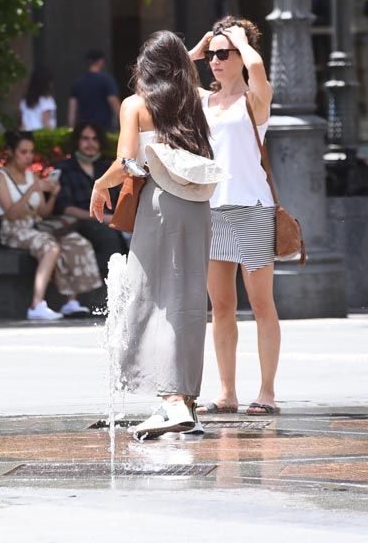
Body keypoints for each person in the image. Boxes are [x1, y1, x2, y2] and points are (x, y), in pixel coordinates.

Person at [90, 30, 225, 440]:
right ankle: (184, 404)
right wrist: (192, 56)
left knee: (152, 299)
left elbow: (127, 163)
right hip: (197, 207)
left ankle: (169, 403)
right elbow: (183, 74)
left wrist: (100, 184)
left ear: (143, 69)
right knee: (186, 301)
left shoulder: (136, 105)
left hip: (159, 206)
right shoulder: (193, 103)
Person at [186, 16, 281, 417]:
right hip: (212, 209)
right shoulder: (202, 101)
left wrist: (241, 41)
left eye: (225, 54)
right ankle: (226, 392)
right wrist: (194, 51)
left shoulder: (254, 99)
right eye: (213, 55)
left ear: (241, 54)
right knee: (221, 306)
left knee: (261, 304)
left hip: (252, 208)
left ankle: (267, 392)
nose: (216, 61)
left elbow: (258, 70)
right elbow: (152, 86)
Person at [0, 130, 103, 321]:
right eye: (23, 152)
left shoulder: (30, 176)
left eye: (31, 152)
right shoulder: (0, 177)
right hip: (13, 230)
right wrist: (32, 189)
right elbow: (11, 213)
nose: (28, 157)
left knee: (77, 242)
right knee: (50, 247)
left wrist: (53, 194)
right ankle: (36, 305)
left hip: (36, 226)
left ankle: (71, 302)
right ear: (11, 152)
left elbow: (43, 212)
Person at [54, 121, 127, 277]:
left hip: (112, 220)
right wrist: (103, 218)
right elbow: (66, 208)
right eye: (85, 139)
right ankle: (109, 294)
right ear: (77, 141)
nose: (90, 143)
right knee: (108, 236)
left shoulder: (106, 168)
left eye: (95, 139)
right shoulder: (64, 168)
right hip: (81, 222)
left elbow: (119, 199)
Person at [67, 50, 120, 130]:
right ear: (100, 61)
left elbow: (72, 110)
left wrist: (71, 128)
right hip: (103, 129)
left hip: (83, 129)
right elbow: (114, 103)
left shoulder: (78, 82)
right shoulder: (106, 80)